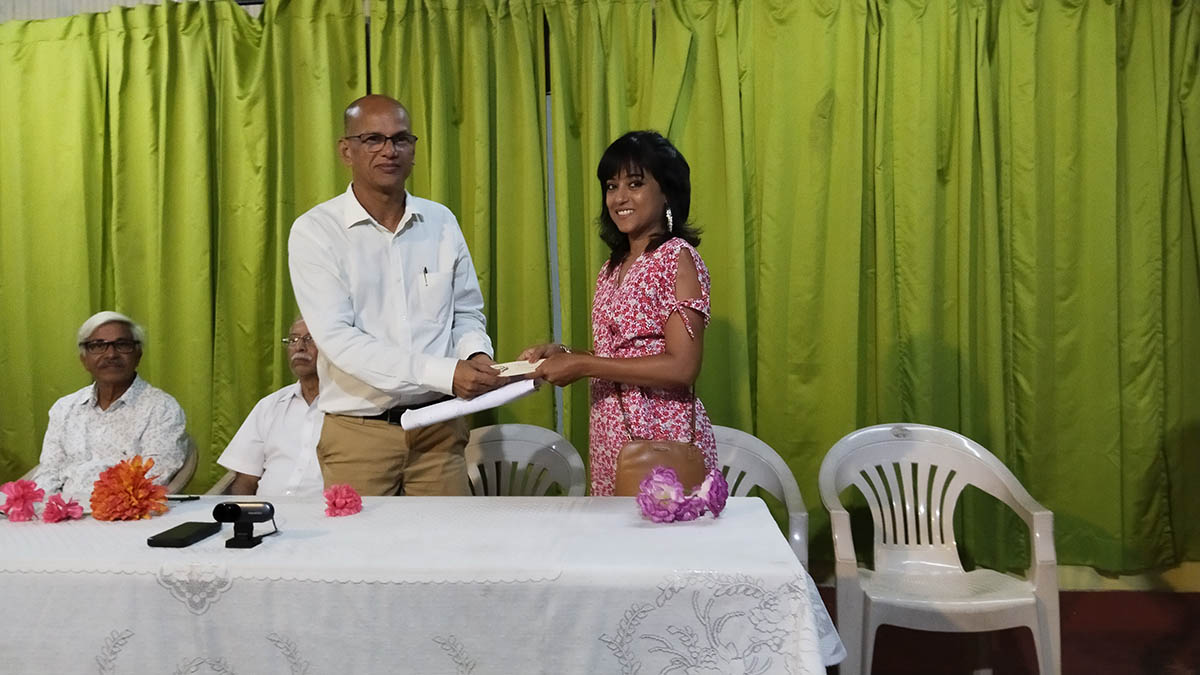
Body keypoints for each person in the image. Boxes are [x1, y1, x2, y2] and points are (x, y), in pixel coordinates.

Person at [288, 94, 507, 497]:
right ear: (345, 150)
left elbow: (465, 312)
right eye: (373, 139)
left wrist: (476, 355)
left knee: (445, 554)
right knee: (360, 558)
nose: (389, 150)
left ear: (413, 149)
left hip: (439, 429)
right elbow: (339, 340)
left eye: (401, 139)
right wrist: (445, 373)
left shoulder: (440, 221)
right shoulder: (316, 231)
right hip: (360, 434)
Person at [521, 130, 717, 496]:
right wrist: (566, 354)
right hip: (611, 438)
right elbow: (620, 356)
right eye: (611, 186)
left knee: (662, 551)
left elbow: (682, 367)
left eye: (635, 183)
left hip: (662, 439)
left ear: (667, 192)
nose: (620, 197)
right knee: (616, 550)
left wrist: (585, 366)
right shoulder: (612, 268)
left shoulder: (677, 258)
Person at [34, 311, 189, 502]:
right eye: (98, 346)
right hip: (63, 515)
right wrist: (43, 510)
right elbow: (49, 472)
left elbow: (154, 477)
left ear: (138, 354)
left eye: (122, 345)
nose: (111, 354)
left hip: (125, 518)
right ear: (84, 359)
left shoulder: (162, 408)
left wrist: (100, 508)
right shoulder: (64, 408)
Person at [216, 317, 324, 496]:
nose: (299, 347)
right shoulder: (270, 406)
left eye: (310, 339)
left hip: (324, 517)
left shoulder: (350, 407)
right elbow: (245, 480)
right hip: (265, 516)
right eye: (293, 340)